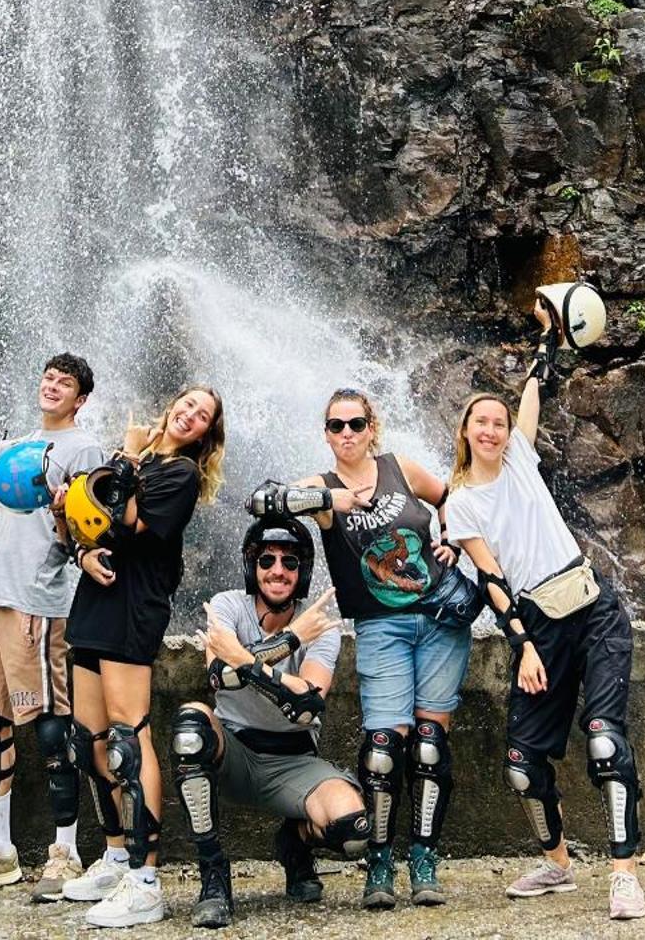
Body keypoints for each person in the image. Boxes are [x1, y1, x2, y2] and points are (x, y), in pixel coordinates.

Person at [441, 307, 645, 922]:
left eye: (499, 422)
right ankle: (558, 864)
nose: (493, 429)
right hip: (540, 626)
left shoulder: (521, 460)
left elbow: (535, 382)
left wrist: (550, 334)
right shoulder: (462, 503)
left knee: (605, 742)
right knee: (522, 764)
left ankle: (624, 874)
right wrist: (526, 646)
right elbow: (494, 582)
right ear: (465, 430)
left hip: (594, 610)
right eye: (481, 421)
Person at [252, 387, 474, 911]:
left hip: (441, 619)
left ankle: (423, 858)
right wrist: (333, 501)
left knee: (429, 745)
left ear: (372, 427)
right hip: (380, 626)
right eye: (335, 426)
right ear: (326, 433)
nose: (346, 434)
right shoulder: (324, 488)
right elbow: (263, 500)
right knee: (382, 751)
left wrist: (455, 540)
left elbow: (454, 500)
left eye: (355, 424)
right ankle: (378, 860)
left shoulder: (400, 468)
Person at [57, 384, 227, 930]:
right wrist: (82, 551)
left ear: (206, 434)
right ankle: (114, 856)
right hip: (95, 601)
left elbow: (132, 524)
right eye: (187, 404)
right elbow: (92, 522)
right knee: (90, 741)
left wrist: (127, 460)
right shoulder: (137, 456)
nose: (190, 415)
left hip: (135, 605)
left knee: (131, 738)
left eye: (202, 416)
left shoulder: (180, 475)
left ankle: (146, 880)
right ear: (171, 403)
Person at [0, 353, 106, 901]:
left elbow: (91, 525)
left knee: (54, 728)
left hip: (39, 601)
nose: (53, 385)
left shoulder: (84, 450)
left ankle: (66, 852)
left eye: (66, 383)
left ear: (80, 399)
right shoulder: (25, 444)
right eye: (48, 378)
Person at [170, 511, 371, 928]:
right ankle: (213, 876)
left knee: (353, 831)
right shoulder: (229, 605)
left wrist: (245, 659)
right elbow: (217, 677)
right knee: (191, 728)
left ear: (303, 569)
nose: (277, 571)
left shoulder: (323, 624)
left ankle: (294, 844)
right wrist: (292, 642)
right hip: (234, 752)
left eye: (290, 562)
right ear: (251, 565)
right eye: (267, 560)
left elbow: (308, 705)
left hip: (296, 762)